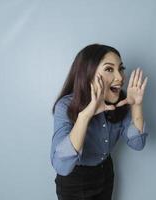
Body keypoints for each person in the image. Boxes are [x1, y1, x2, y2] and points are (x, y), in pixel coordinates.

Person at [50, 43, 149, 200]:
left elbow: (137, 144)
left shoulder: (120, 102)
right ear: (88, 73)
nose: (120, 77)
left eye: (120, 69)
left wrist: (136, 106)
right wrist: (85, 116)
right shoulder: (65, 106)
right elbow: (62, 167)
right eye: (109, 69)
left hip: (105, 173)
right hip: (76, 180)